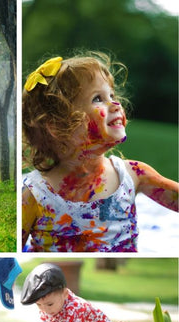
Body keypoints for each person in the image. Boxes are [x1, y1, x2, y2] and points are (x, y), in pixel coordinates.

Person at [22, 52, 178, 252]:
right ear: (58, 126)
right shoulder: (36, 194)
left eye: (112, 95)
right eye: (98, 98)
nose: (115, 104)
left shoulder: (134, 174)